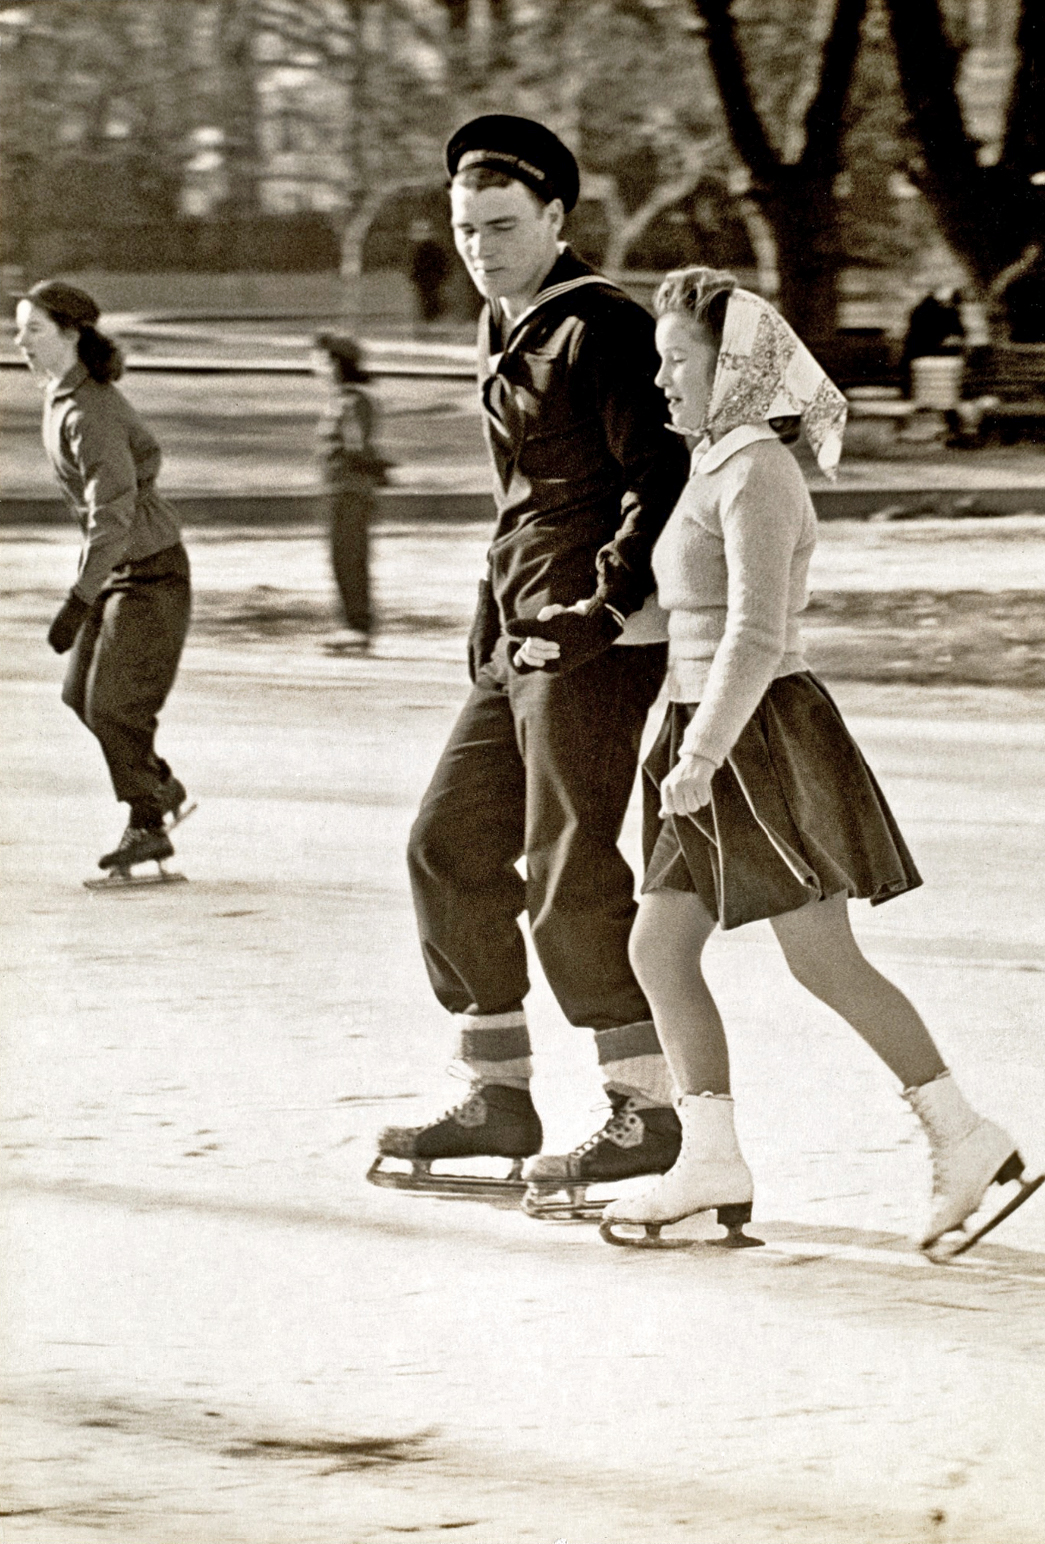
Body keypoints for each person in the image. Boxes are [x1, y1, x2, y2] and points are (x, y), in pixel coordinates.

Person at [596, 268, 1042, 1251]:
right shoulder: (713, 464)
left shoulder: (757, 472)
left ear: (740, 372)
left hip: (749, 734)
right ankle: (710, 1163)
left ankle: (963, 1136)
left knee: (821, 956)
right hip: (698, 729)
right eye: (660, 360)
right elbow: (693, 614)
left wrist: (703, 750)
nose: (662, 379)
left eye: (681, 361)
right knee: (658, 947)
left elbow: (756, 633)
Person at [376, 115, 689, 1200]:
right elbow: (521, 492)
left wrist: (602, 608)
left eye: (502, 226)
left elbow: (660, 474)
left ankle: (643, 1106)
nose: (480, 246)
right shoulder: (499, 323)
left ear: (557, 217)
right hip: (516, 635)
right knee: (446, 844)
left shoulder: (601, 327)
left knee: (567, 870)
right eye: (466, 229)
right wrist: (486, 599)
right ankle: (497, 1093)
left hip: (592, 642)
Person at [14, 280, 192, 875]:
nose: (21, 341)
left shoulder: (90, 412)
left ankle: (147, 822)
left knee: (114, 706)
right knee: (78, 696)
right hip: (120, 568)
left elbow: (112, 513)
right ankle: (159, 786)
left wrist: (76, 599)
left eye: (33, 330)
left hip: (152, 572)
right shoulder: (62, 397)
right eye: (19, 329)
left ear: (70, 335)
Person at [312, 331, 386, 653]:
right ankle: (353, 625)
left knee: (349, 557)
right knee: (344, 558)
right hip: (343, 490)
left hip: (350, 491)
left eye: (318, 358)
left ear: (333, 362)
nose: (314, 365)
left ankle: (357, 627)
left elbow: (357, 447)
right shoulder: (345, 398)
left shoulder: (351, 400)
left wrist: (372, 467)